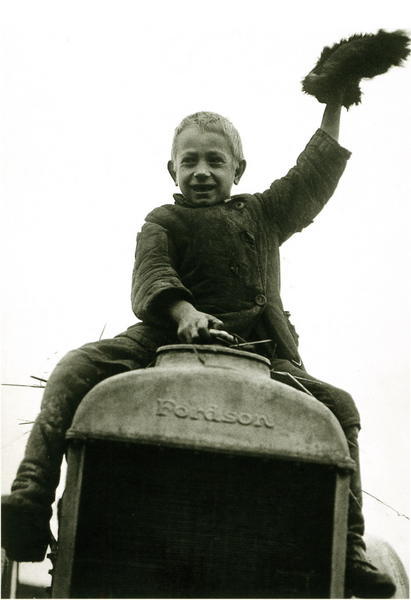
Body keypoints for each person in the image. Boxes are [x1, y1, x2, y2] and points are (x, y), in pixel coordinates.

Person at [2, 106, 396, 598]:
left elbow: (311, 176)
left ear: (238, 169)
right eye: (189, 162)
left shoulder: (264, 214)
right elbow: (152, 272)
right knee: (75, 365)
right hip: (163, 338)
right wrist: (184, 312)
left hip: (259, 351)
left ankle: (349, 546)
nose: (202, 171)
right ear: (173, 170)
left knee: (340, 406)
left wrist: (335, 101)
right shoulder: (163, 220)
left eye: (215, 161)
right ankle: (32, 495)